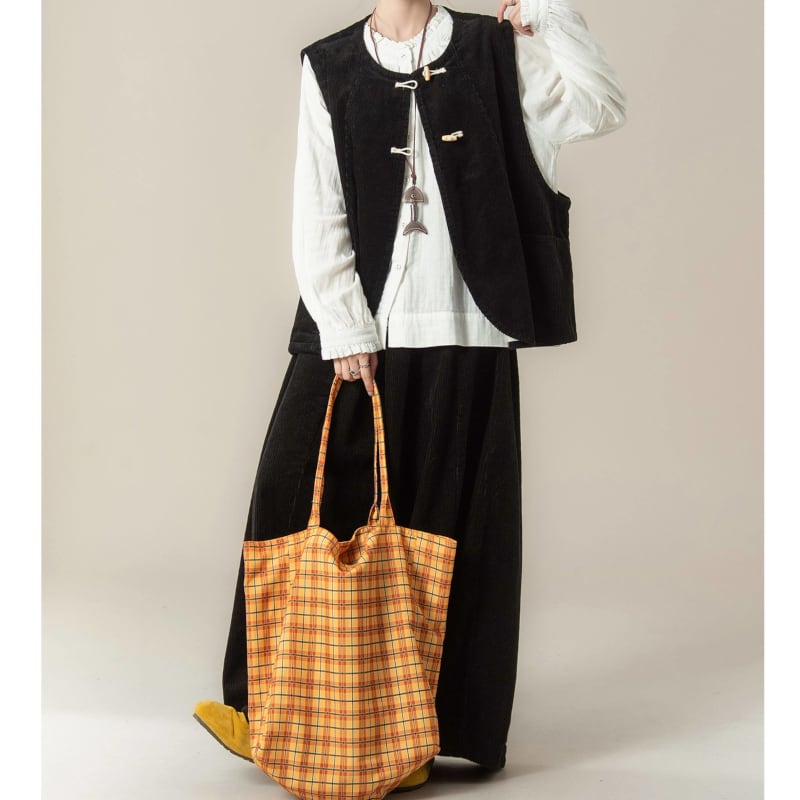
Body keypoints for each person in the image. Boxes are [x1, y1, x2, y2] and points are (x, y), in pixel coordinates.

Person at [194, 0, 627, 791]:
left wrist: (548, 15)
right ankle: (265, 708)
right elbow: (318, 199)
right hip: (361, 322)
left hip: (470, 321)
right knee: (292, 498)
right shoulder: (329, 64)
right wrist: (343, 323)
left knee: (448, 534)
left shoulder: (492, 47)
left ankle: (423, 730)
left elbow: (598, 106)